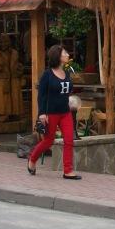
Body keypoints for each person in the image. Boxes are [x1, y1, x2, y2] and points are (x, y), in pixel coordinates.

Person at [26, 44, 80, 179]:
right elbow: (41, 96)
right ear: (58, 56)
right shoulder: (47, 75)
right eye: (65, 53)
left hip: (65, 112)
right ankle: (32, 159)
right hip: (51, 113)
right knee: (48, 141)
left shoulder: (67, 73)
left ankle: (68, 171)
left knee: (69, 140)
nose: (68, 55)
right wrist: (42, 113)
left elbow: (67, 91)